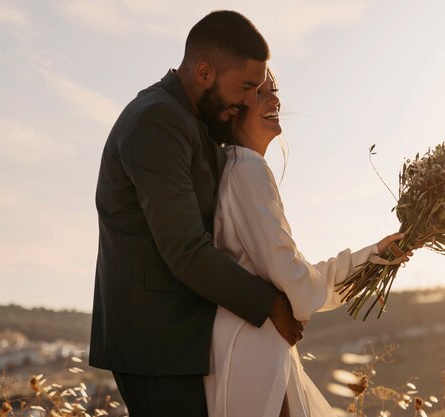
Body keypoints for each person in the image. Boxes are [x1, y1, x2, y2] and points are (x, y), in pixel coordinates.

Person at [89, 11, 303, 417]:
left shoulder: (192, 117)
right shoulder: (157, 120)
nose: (247, 100)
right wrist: (271, 304)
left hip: (184, 336)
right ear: (204, 71)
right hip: (157, 342)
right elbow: (184, 248)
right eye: (245, 87)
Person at [203, 70, 411, 417]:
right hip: (253, 346)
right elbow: (292, 277)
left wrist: (373, 257)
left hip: (246, 341)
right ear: (234, 108)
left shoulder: (233, 167)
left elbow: (290, 275)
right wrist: (369, 262)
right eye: (261, 92)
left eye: (276, 90)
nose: (275, 99)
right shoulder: (247, 169)